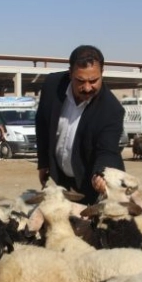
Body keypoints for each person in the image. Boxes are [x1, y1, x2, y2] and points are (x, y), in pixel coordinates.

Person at [35, 45, 125, 205]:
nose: (87, 88)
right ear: (70, 73)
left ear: (102, 73)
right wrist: (44, 162)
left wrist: (101, 174)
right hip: (59, 179)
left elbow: (107, 150)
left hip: (89, 183)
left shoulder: (112, 110)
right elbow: (42, 122)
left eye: (94, 81)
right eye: (81, 81)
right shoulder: (52, 85)